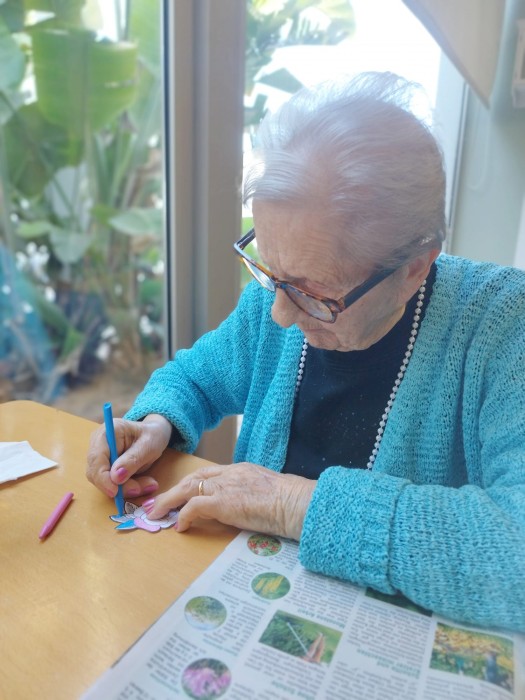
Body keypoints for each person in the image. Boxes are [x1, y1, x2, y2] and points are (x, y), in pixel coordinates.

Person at [87, 72, 525, 633]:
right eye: (269, 268)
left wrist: (291, 504)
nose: (278, 314)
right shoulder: (277, 296)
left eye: (314, 294)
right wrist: (155, 423)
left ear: (414, 269)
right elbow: (193, 380)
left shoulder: (503, 327)